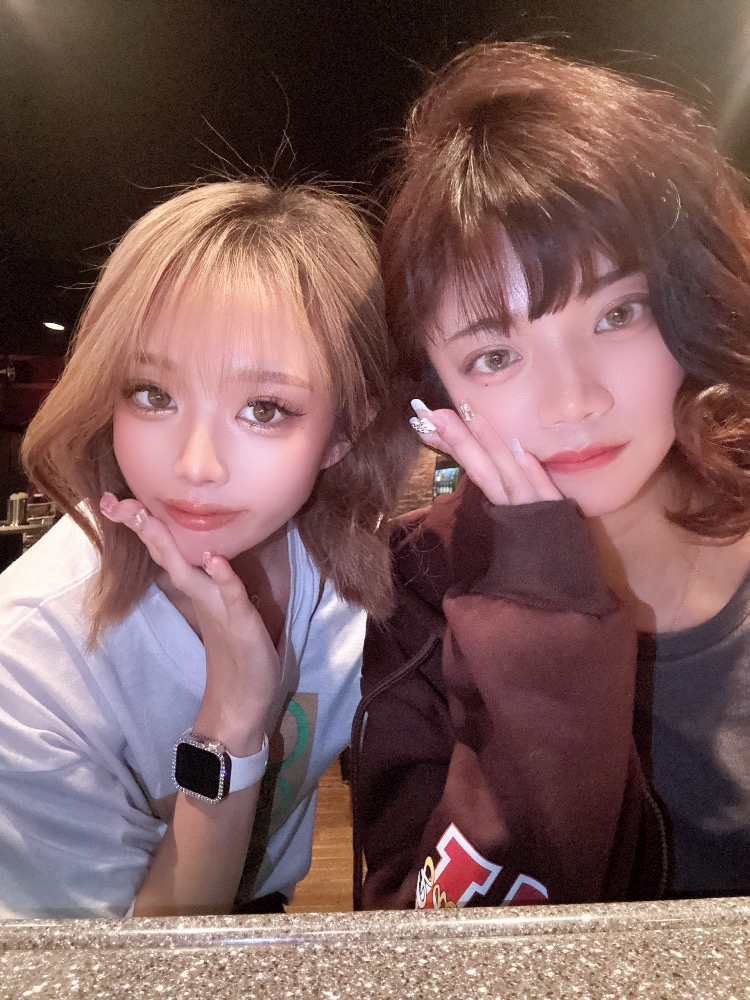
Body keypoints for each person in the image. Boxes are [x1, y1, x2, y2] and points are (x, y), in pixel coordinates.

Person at [351, 41, 750, 911]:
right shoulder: (418, 592)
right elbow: (423, 945)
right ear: (438, 391)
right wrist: (540, 624)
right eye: (495, 355)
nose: (573, 401)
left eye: (618, 313)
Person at [0, 178, 413, 918]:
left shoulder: (363, 581)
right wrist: (231, 721)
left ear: (343, 432)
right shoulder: (29, 660)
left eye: (265, 409)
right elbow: (124, 968)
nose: (195, 465)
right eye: (152, 394)